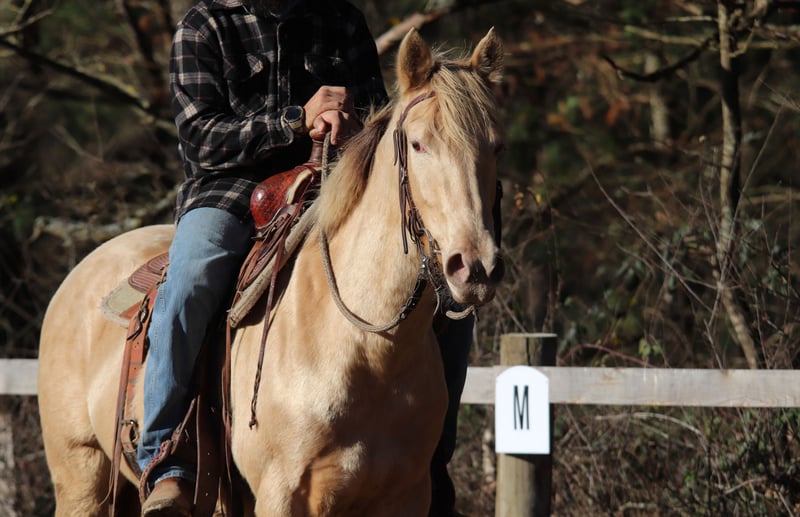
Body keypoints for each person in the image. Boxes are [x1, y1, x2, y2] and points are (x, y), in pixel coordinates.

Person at [138, 1, 474, 515]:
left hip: (336, 187)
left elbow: (383, 124)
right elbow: (200, 139)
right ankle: (167, 457)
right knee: (191, 279)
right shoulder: (206, 24)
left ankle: (432, 463)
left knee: (447, 303)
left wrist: (354, 125)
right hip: (230, 193)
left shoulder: (341, 19)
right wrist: (295, 120)